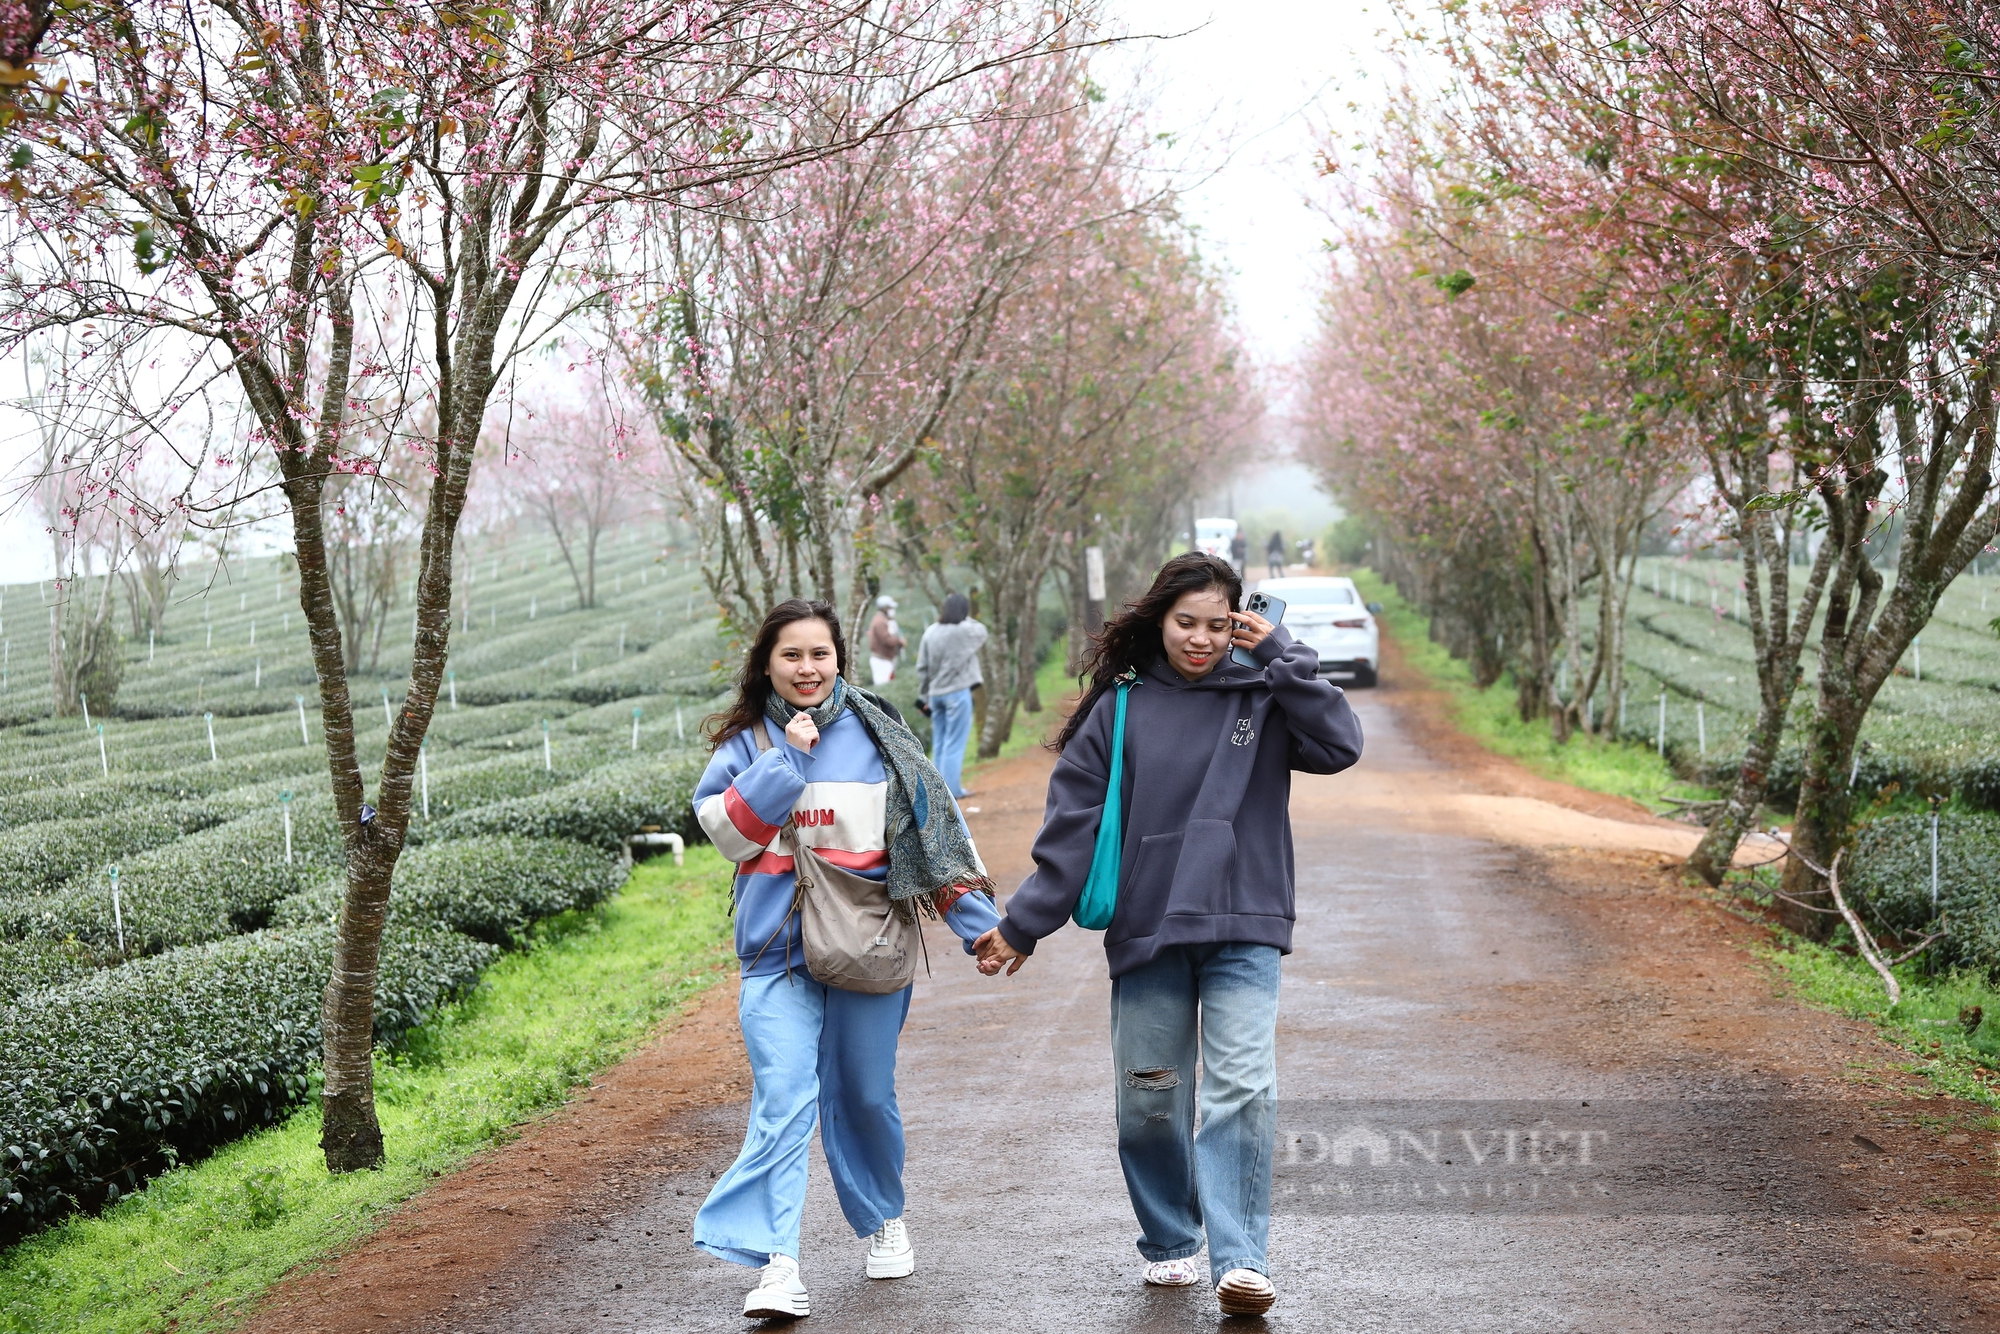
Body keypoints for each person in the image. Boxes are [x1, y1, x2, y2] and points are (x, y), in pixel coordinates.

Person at [973, 552, 1362, 1318]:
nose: (1203, 639)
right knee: (1149, 1100)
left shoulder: (1265, 686)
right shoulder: (1119, 706)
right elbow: (1073, 825)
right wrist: (1024, 925)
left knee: (1242, 1089)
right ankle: (1169, 1236)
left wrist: (1280, 655)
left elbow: (1341, 743)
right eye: (1188, 623)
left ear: (1239, 625)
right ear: (1159, 619)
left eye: (1220, 625)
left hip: (1245, 921)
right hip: (1149, 929)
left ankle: (1242, 1258)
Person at [689, 598, 1001, 1321]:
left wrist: (977, 927)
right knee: (784, 1100)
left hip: (869, 948)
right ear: (767, 662)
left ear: (839, 659)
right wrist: (787, 761)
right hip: (777, 955)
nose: (807, 668)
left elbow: (935, 838)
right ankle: (777, 1263)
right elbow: (729, 835)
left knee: (863, 1095)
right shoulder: (746, 742)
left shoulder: (880, 737)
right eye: (791, 655)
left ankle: (883, 1216)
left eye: (819, 654)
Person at [915, 592, 985, 800]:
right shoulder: (965, 630)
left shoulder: (930, 632)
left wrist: (923, 696)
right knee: (955, 742)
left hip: (936, 695)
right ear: (964, 612)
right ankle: (953, 790)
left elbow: (922, 667)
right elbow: (982, 631)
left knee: (940, 741)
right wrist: (964, 617)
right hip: (957, 693)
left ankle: (937, 791)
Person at [867, 594, 905, 686]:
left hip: (885, 660)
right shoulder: (880, 621)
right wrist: (899, 641)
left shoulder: (883, 620)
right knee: (882, 686)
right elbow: (887, 640)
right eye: (890, 608)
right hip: (881, 661)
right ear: (884, 608)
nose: (892, 610)